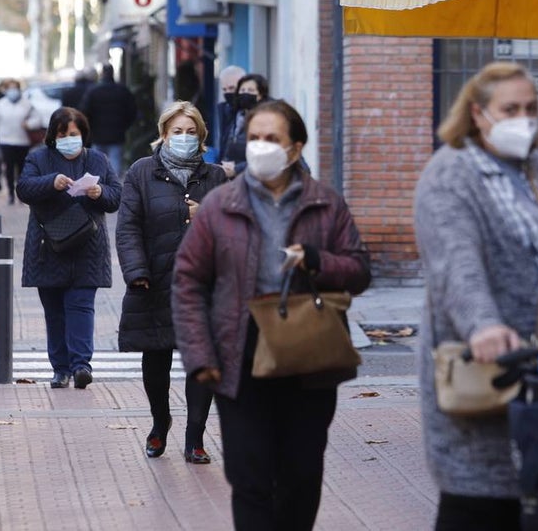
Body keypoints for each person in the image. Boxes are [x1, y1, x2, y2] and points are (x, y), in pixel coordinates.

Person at [173, 99, 371, 530]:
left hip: (309, 355)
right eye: (254, 138)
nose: (260, 146)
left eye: (272, 139)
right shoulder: (219, 205)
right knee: (250, 478)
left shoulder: (326, 204)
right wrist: (199, 355)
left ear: (295, 148)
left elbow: (359, 270)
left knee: (301, 476)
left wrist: (318, 260)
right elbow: (188, 282)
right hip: (239, 355)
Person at [413, 61, 538, 531]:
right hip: (487, 369)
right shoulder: (450, 173)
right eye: (509, 108)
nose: (523, 118)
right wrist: (483, 325)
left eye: (531, 108)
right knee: (481, 501)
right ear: (477, 113)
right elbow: (456, 264)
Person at [116, 101, 227, 464]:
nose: (184, 138)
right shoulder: (141, 172)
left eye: (191, 132)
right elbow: (128, 226)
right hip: (155, 280)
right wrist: (136, 272)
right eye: (177, 132)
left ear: (201, 137)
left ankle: (195, 437)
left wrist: (206, 215)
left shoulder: (215, 177)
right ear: (163, 135)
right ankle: (159, 423)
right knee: (156, 357)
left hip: (204, 284)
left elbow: (232, 229)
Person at [17, 107, 121, 390]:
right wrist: (51, 182)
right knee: (55, 311)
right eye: (62, 135)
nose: (68, 140)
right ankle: (60, 369)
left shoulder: (98, 160)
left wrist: (99, 193)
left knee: (81, 306)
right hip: (48, 246)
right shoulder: (38, 158)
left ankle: (81, 366)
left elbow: (115, 197)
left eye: (73, 135)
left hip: (88, 247)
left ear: (83, 135)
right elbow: (24, 188)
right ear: (53, 136)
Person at [0, 78, 41, 204]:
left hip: (22, 141)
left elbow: (37, 120)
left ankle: (21, 193)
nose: (13, 91)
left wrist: (28, 124)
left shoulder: (27, 104)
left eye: (15, 88)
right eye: (10, 88)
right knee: (9, 168)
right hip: (6, 141)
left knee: (22, 169)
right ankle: (10, 193)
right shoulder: (1, 104)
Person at [80, 63, 138, 176]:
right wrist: (124, 126)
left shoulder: (93, 91)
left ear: (102, 74)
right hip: (117, 134)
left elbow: (84, 112)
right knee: (115, 164)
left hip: (97, 134)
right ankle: (114, 189)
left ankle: (100, 189)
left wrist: (89, 128)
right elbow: (132, 111)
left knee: (98, 164)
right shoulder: (122, 90)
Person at [219, 72, 268, 180]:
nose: (245, 94)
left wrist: (237, 168)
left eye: (250, 91)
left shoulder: (266, 119)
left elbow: (267, 157)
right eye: (242, 90)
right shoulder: (235, 115)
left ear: (260, 95)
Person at [209, 64, 245, 165]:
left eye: (232, 88)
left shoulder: (250, 112)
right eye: (224, 89)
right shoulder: (225, 110)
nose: (228, 93)